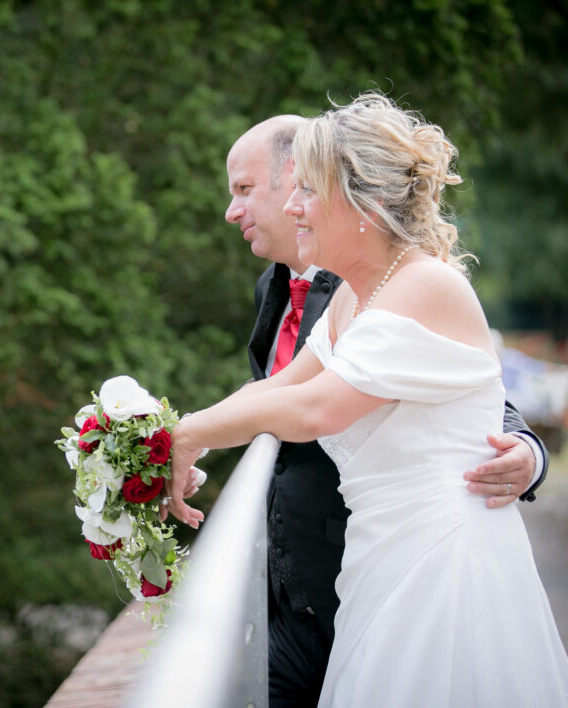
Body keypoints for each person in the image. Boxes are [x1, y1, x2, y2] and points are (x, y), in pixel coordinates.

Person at [166, 95, 566, 706]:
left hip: (442, 564)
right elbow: (277, 389)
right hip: (376, 560)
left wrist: (187, 436)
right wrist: (170, 433)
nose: (295, 206)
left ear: (361, 203)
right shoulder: (358, 296)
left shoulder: (427, 284)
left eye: (309, 191)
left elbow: (312, 411)